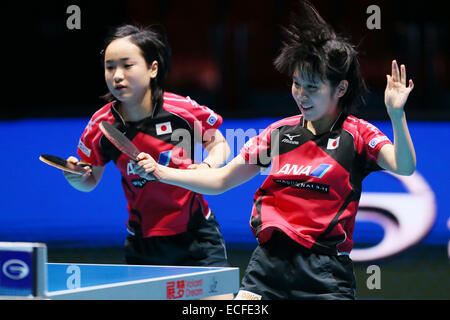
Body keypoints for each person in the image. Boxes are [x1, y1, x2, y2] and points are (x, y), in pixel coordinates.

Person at [134, 1, 416, 300]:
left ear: (341, 89)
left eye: (312, 87)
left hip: (325, 274)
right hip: (267, 268)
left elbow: (404, 166)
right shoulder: (279, 134)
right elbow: (221, 181)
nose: (301, 95)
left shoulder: (357, 134)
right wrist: (160, 171)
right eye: (297, 84)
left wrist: (396, 114)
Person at [63, 25, 234, 298]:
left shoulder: (181, 111)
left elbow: (219, 145)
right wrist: (76, 178)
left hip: (197, 236)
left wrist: (208, 167)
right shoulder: (101, 126)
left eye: (127, 65)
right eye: (110, 67)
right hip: (144, 243)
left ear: (152, 69)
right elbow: (90, 180)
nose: (117, 75)